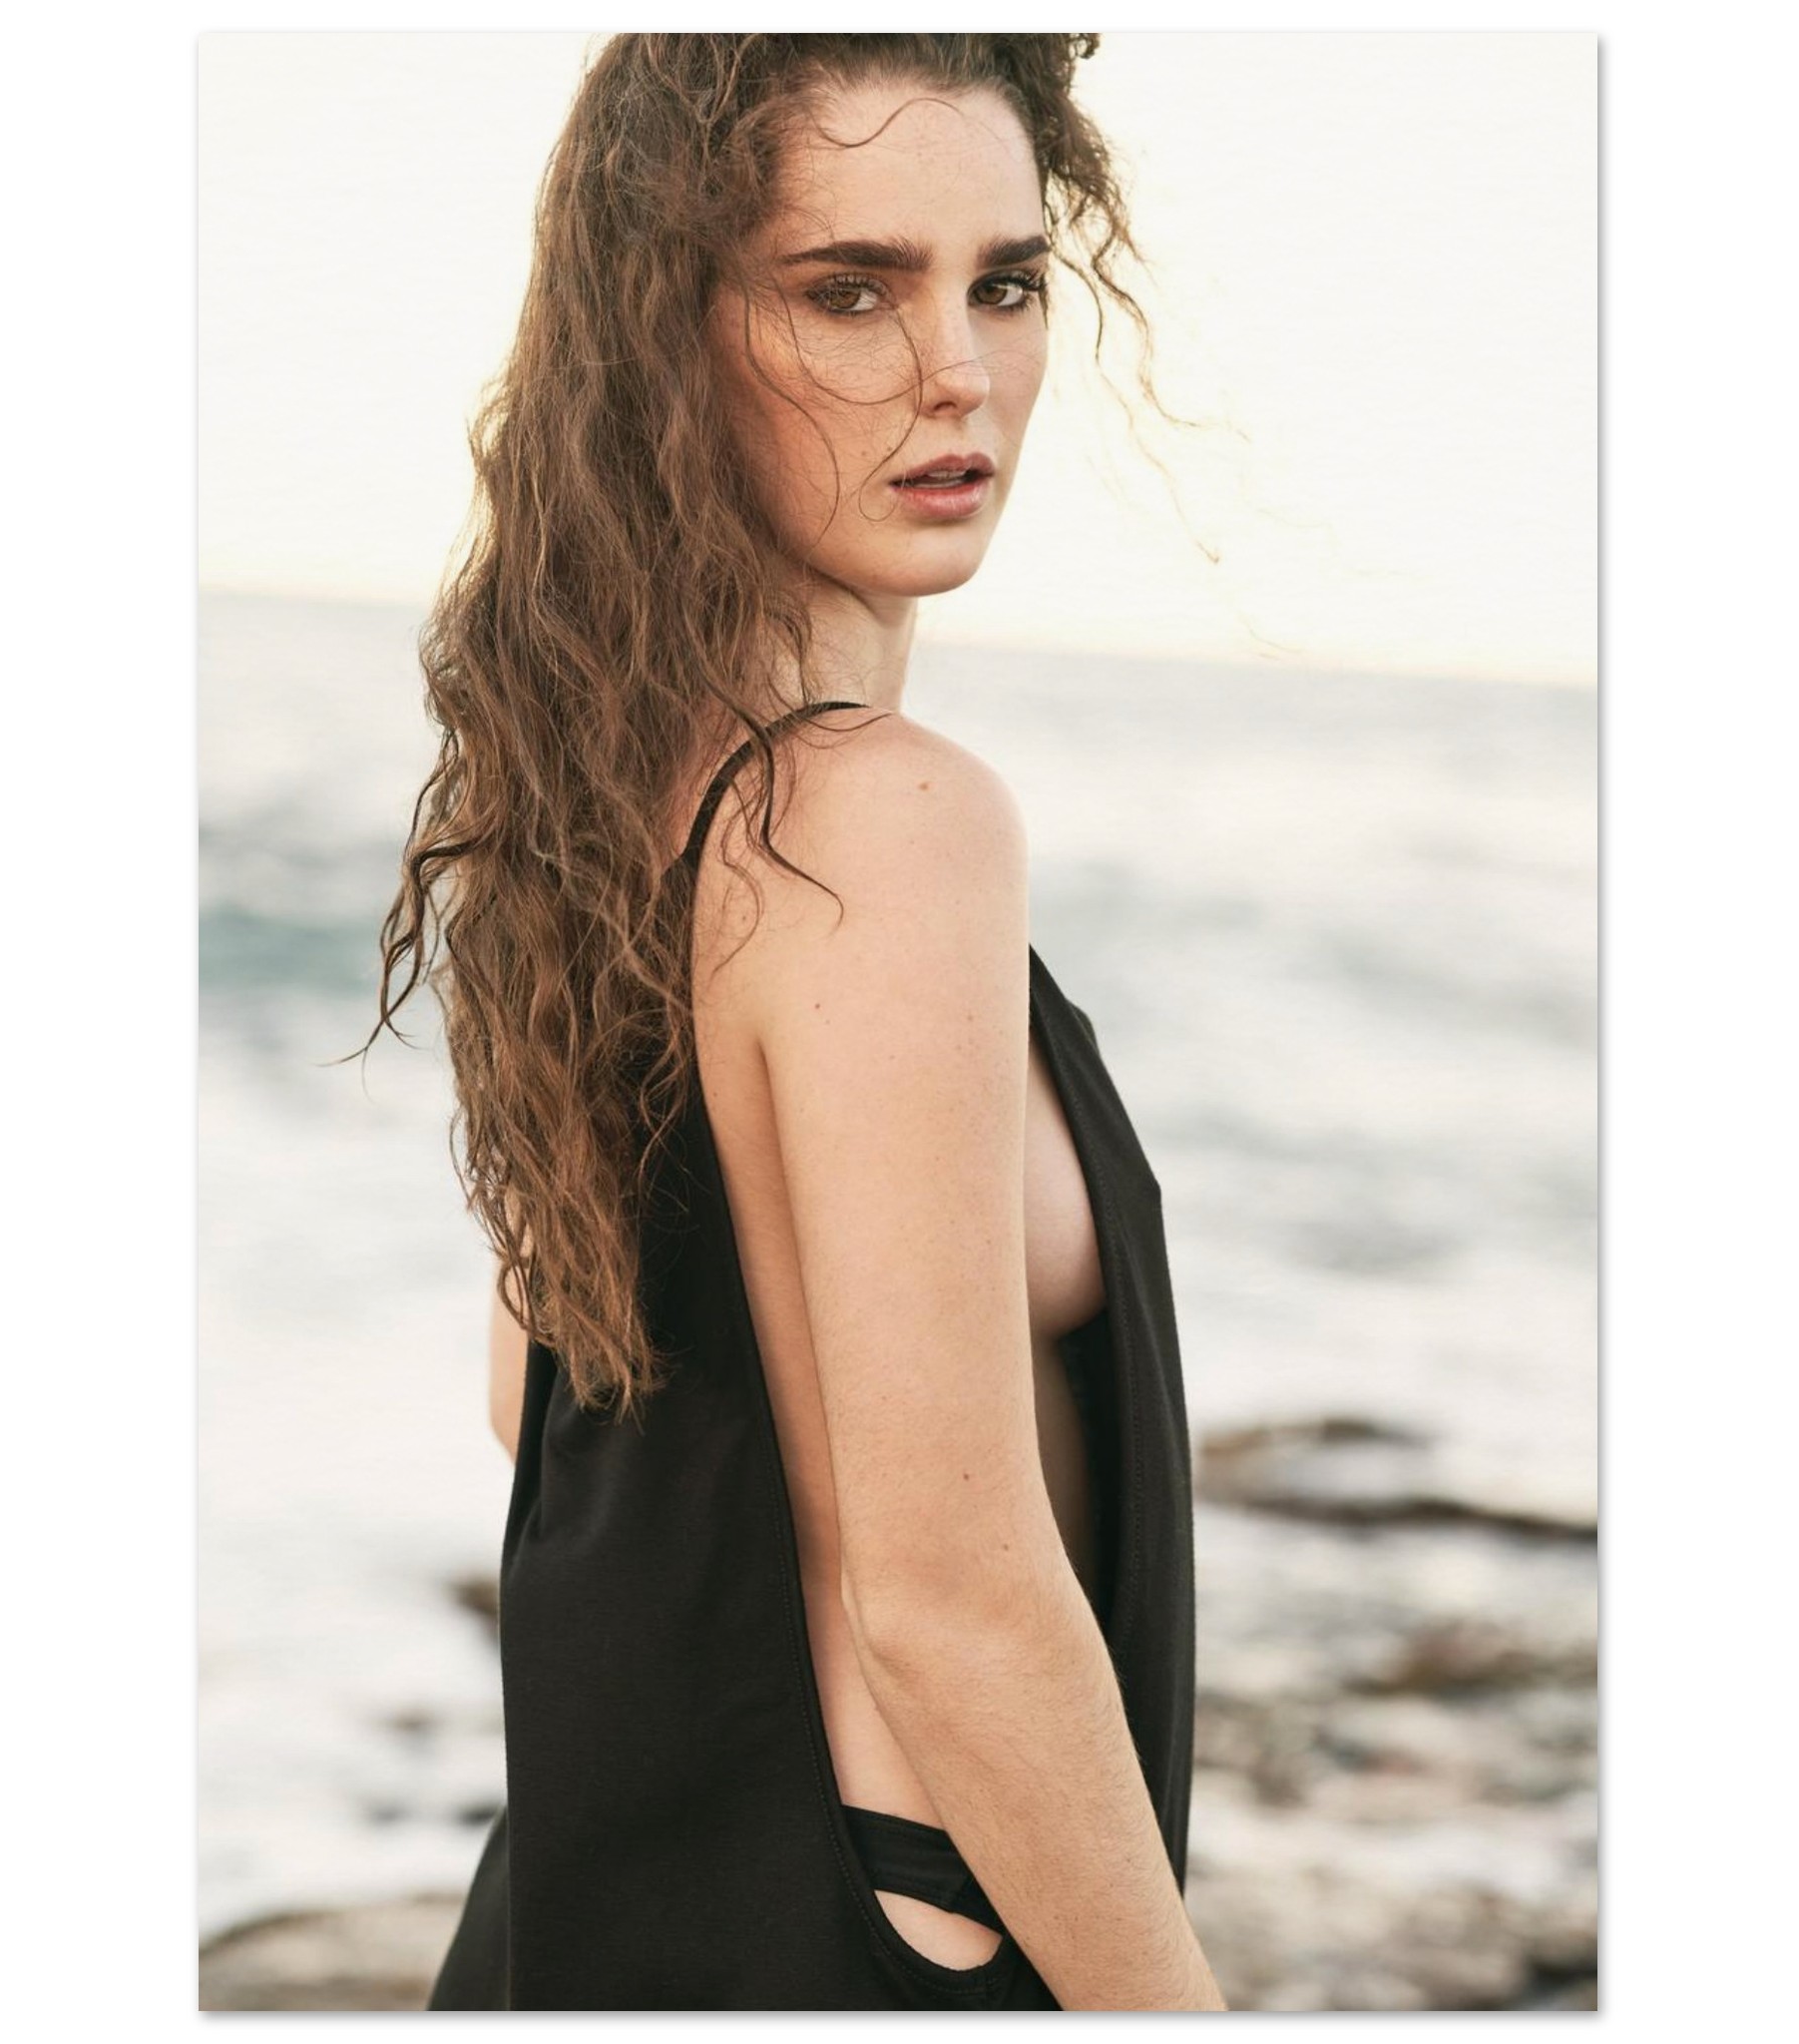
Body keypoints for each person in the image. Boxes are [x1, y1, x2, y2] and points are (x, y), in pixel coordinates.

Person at [366, 33, 1223, 2011]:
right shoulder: (877, 821)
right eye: (849, 290)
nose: (957, 370)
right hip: (860, 1935)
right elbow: (948, 1603)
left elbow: (542, 1398)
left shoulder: (599, 798)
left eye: (1004, 282)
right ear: (669, 334)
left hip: (593, 1907)